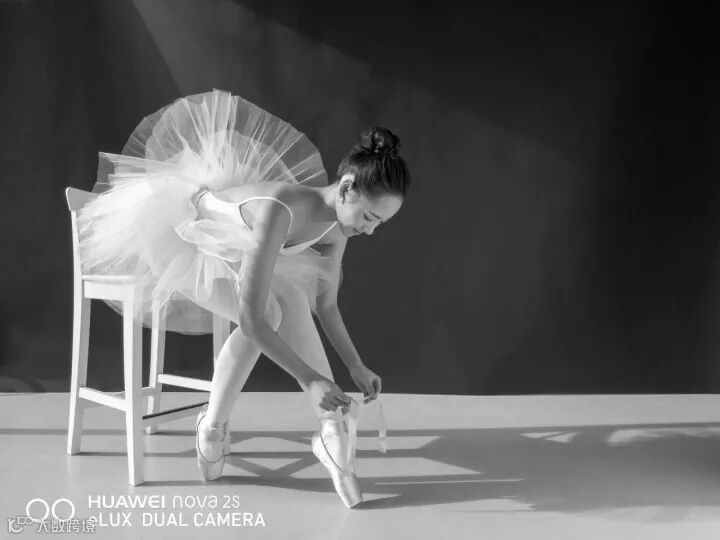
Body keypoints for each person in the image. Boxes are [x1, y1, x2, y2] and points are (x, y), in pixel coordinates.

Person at [76, 89, 411, 507]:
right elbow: (251, 320)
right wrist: (310, 379)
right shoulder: (279, 210)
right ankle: (212, 426)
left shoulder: (337, 230)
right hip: (186, 234)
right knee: (270, 311)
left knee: (292, 296)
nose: (370, 230)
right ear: (346, 189)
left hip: (241, 251)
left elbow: (326, 306)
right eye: (369, 216)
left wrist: (355, 365)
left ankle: (332, 429)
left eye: (380, 223)